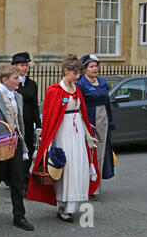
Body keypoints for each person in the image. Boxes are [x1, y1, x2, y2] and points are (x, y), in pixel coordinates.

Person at [26, 55, 100, 223]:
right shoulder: (54, 90)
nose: (78, 77)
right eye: (75, 73)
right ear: (66, 71)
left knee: (78, 165)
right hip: (62, 133)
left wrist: (88, 134)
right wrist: (49, 140)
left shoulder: (77, 89)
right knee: (64, 168)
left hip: (77, 132)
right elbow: (50, 116)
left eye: (79, 73)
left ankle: (71, 205)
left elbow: (82, 114)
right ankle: (62, 205)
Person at [0, 65, 34, 231]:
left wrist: (23, 144)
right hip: (0, 144)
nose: (19, 80)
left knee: (17, 180)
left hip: (16, 142)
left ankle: (19, 216)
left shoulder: (18, 97)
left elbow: (20, 122)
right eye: (15, 78)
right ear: (5, 80)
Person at [77, 54, 115, 200]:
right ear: (85, 69)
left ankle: (95, 187)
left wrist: (110, 122)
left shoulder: (102, 83)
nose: (95, 69)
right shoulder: (81, 84)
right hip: (89, 119)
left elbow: (107, 104)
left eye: (96, 66)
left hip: (102, 119)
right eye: (91, 66)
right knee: (87, 153)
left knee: (100, 153)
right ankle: (84, 186)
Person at [10, 52, 42, 194]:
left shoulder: (32, 84)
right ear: (15, 66)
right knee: (16, 153)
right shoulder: (12, 83)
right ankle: (20, 181)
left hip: (28, 124)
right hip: (15, 124)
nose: (25, 68)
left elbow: (35, 105)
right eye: (22, 65)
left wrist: (39, 124)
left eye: (26, 65)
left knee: (27, 151)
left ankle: (23, 178)